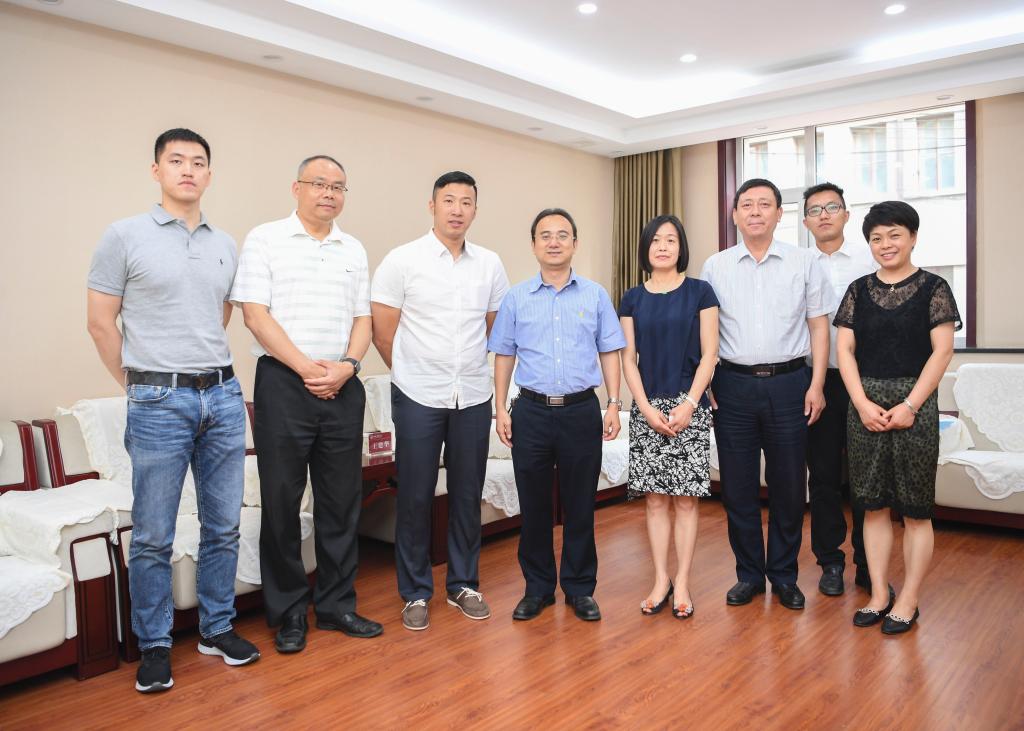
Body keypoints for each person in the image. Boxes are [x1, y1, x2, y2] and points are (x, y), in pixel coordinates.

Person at [87, 128, 259, 694]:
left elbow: (220, 314)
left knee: (224, 525)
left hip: (224, 396)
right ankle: (155, 645)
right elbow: (100, 322)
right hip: (158, 401)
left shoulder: (225, 243)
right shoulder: (124, 235)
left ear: (209, 174)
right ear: (157, 170)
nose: (188, 169)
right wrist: (139, 384)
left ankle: (216, 628)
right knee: (153, 534)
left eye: (198, 162)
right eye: (176, 160)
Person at [231, 155, 383, 653]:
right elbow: (255, 316)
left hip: (342, 384)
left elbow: (363, 319)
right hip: (283, 382)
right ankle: (289, 612)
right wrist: (306, 368)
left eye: (338, 186)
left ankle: (337, 605)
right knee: (281, 502)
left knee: (341, 503)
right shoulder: (265, 238)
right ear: (296, 188)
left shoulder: (352, 248)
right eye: (319, 183)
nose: (328, 193)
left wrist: (348, 366)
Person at [371, 171, 510, 631]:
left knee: (468, 493)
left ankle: (463, 584)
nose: (457, 209)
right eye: (448, 200)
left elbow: (494, 328)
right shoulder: (402, 260)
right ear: (432, 206)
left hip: (472, 394)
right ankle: (414, 591)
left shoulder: (490, 264)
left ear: (475, 210)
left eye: (466, 202)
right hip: (418, 395)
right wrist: (412, 372)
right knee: (414, 495)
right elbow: (383, 331)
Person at [700, 178, 831, 611]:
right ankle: (749, 576)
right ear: (735, 215)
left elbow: (818, 327)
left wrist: (816, 384)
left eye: (764, 204)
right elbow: (705, 332)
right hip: (732, 386)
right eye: (747, 205)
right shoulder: (715, 266)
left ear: (779, 213)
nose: (755, 212)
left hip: (790, 384)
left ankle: (785, 576)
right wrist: (708, 382)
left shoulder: (804, 262)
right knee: (737, 488)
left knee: (789, 487)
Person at [489, 207, 626, 623]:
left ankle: (580, 589)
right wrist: (500, 408)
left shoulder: (595, 295)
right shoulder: (516, 298)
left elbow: (610, 350)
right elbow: (504, 354)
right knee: (533, 507)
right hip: (530, 411)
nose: (554, 242)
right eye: (545, 235)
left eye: (562, 235)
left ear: (574, 244)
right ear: (534, 245)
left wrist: (613, 403)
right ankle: (537, 588)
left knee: (580, 505)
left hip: (581, 410)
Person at [835, 201, 959, 634]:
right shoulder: (857, 290)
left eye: (894, 235)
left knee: (916, 510)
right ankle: (879, 594)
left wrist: (910, 406)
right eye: (876, 238)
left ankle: (909, 598)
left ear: (913, 238)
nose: (885, 244)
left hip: (915, 407)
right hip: (865, 408)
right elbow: (844, 351)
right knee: (871, 507)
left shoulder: (935, 288)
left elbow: (942, 352)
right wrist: (861, 403)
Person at [619, 215, 719, 619]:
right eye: (656, 240)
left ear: (681, 247)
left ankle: (683, 582)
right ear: (645, 248)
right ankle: (661, 579)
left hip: (689, 406)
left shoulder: (700, 292)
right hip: (648, 407)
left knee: (686, 503)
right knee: (655, 501)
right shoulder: (631, 298)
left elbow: (710, 353)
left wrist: (691, 403)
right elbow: (628, 358)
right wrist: (644, 408)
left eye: (671, 240)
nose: (663, 247)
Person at [802, 183, 878, 597]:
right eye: (815, 210)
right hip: (819, 382)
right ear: (805, 221)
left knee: (867, 477)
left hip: (866, 380)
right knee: (824, 476)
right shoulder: (798, 264)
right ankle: (830, 561)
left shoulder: (872, 259)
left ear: (847, 215)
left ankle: (869, 563)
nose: (824, 215)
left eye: (832, 207)